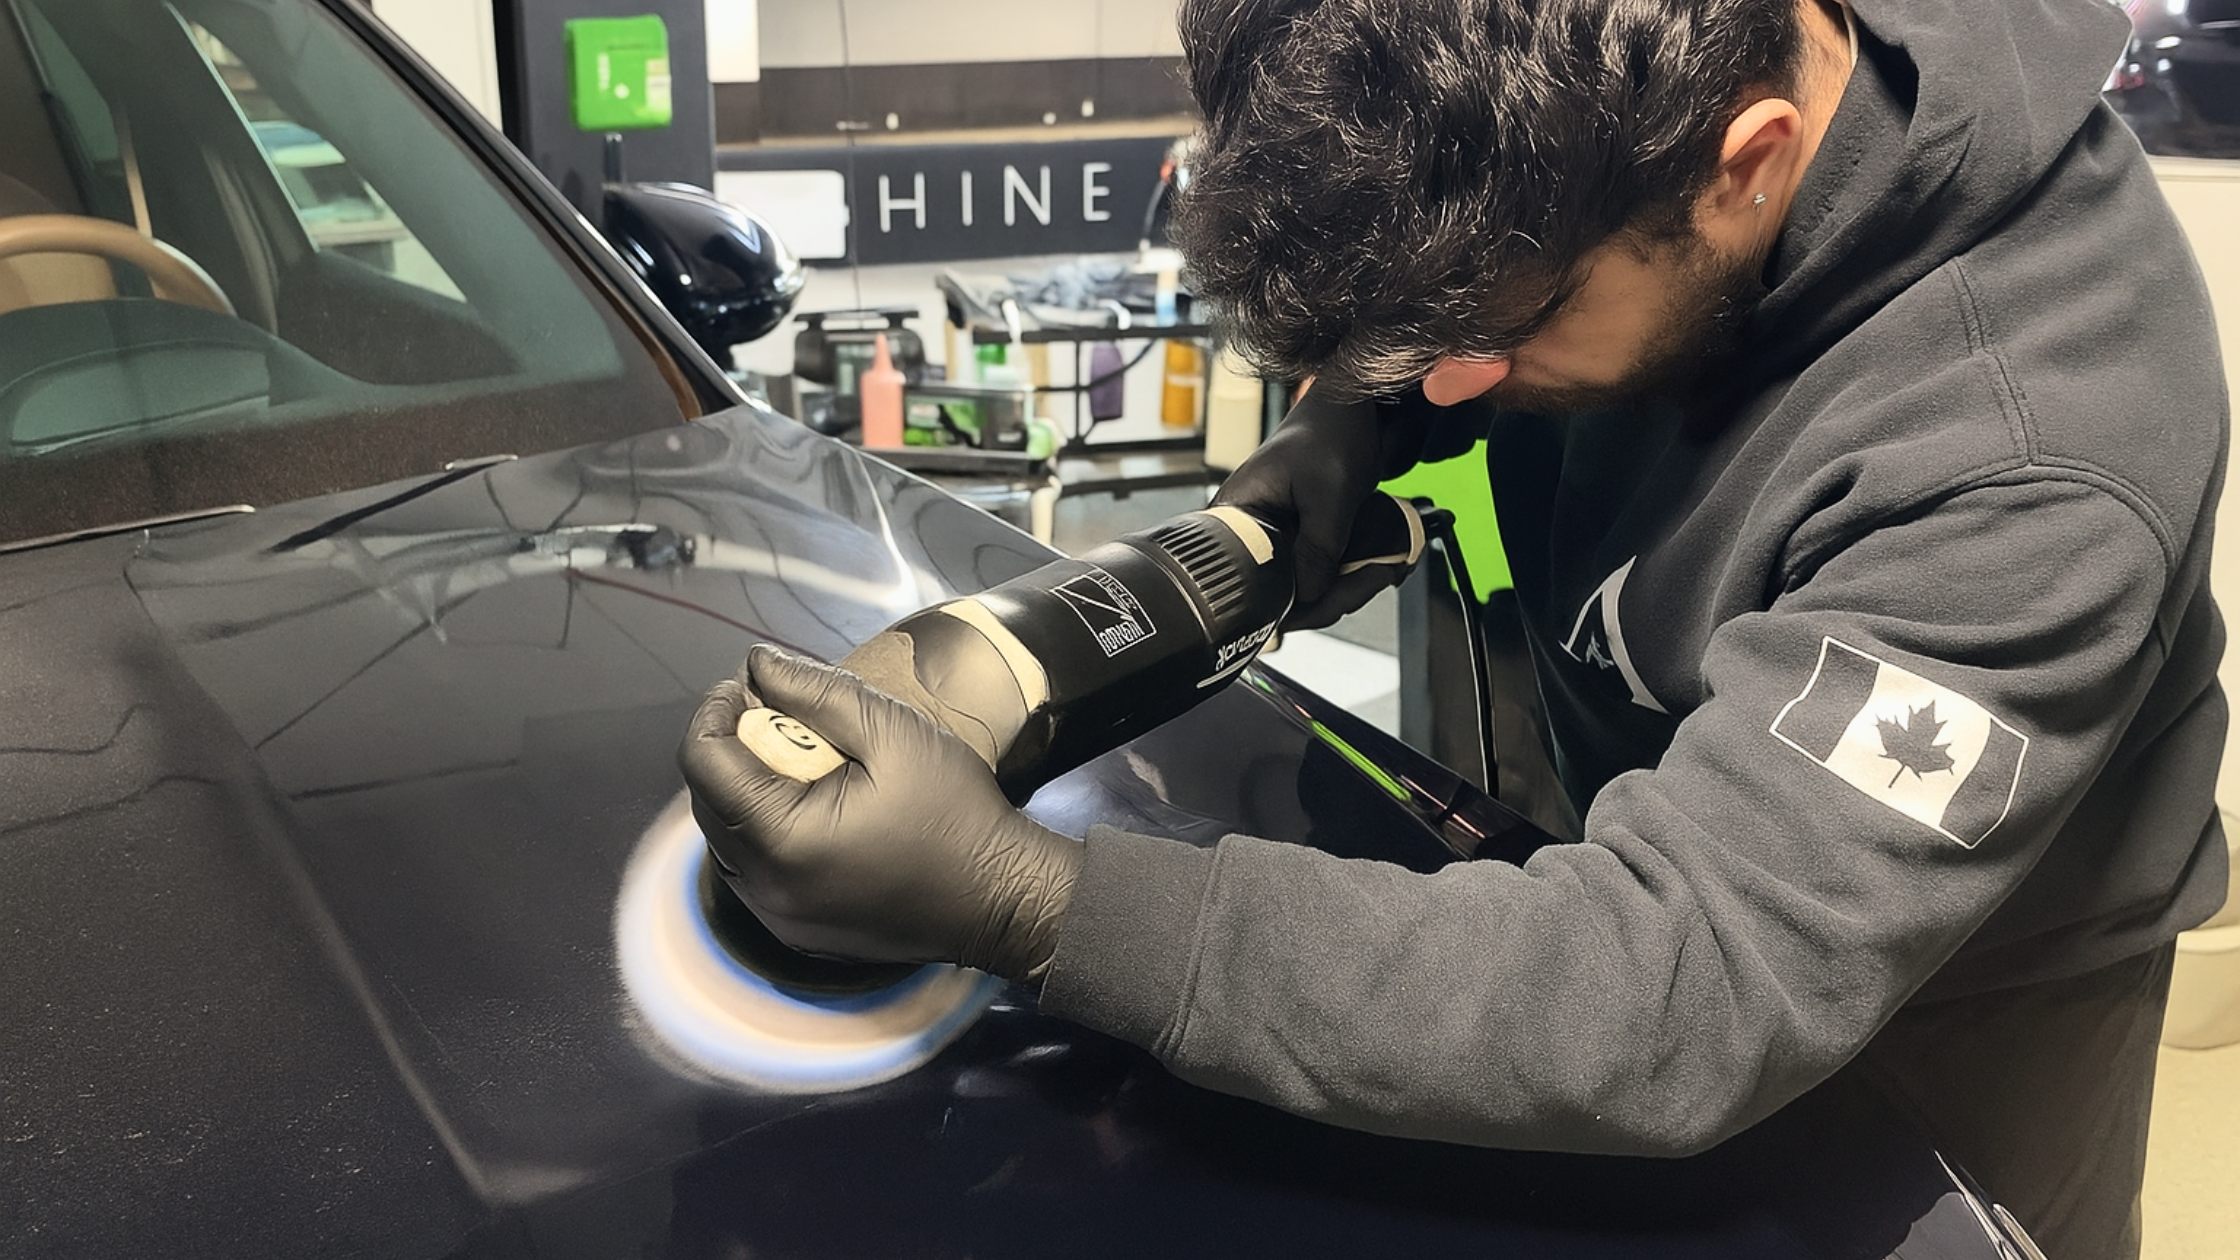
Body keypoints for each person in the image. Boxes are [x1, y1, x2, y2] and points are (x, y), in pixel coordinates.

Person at [680, 0, 2231, 1252]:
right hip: (1651, 806)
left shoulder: (2028, 455)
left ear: (1747, 167)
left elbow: (1676, 990)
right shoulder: (1622, 133)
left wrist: (1034, 905)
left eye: (1494, 333)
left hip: (1953, 1000)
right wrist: (1359, 413)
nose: (1452, 386)